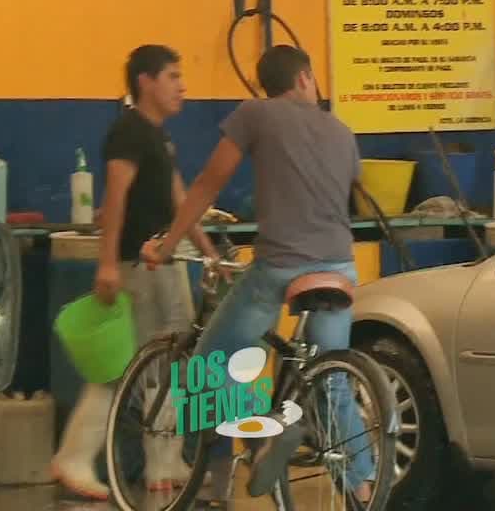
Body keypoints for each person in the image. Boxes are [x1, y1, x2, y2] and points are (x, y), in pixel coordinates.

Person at [140, 45, 374, 501]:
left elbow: (208, 185)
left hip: (280, 267)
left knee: (211, 362)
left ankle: (262, 438)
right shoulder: (342, 130)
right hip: (339, 268)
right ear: (304, 78)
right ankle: (364, 488)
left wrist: (168, 245)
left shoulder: (255, 114)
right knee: (331, 379)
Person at [50, 44, 220, 500]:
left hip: (167, 261)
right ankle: (74, 456)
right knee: (128, 368)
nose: (182, 86)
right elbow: (116, 200)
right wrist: (107, 263)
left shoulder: (158, 137)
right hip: (140, 264)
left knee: (170, 363)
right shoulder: (128, 132)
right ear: (145, 81)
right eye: (172, 76)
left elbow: (181, 200)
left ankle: (164, 461)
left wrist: (209, 252)